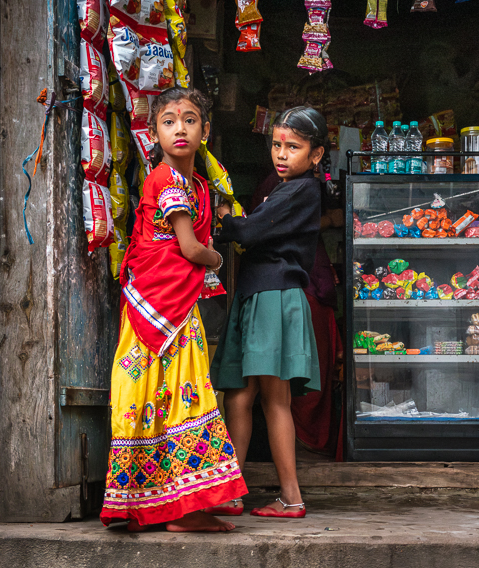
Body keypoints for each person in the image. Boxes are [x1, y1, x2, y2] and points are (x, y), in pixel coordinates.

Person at [100, 87, 247, 533]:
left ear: (205, 130)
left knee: (167, 399)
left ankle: (169, 506)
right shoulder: (165, 180)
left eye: (189, 119)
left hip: (174, 305)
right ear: (155, 132)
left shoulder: (197, 186)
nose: (179, 127)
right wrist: (219, 260)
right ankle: (182, 509)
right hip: (160, 305)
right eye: (168, 120)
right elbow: (189, 247)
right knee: (178, 397)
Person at [209, 106, 333, 518]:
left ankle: (292, 497)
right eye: (277, 145)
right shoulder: (283, 189)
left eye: (293, 147)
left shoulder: (303, 191)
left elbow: (247, 231)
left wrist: (224, 214)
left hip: (275, 296)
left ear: (316, 154)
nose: (281, 154)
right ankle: (230, 491)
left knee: (274, 401)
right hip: (255, 293)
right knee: (238, 397)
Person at [250, 170, 344, 457]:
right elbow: (273, 226)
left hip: (312, 287)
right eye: (280, 145)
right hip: (298, 289)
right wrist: (329, 220)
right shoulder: (279, 184)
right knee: (299, 380)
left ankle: (309, 446)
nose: (283, 154)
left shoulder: (305, 183)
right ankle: (305, 448)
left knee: (314, 375)